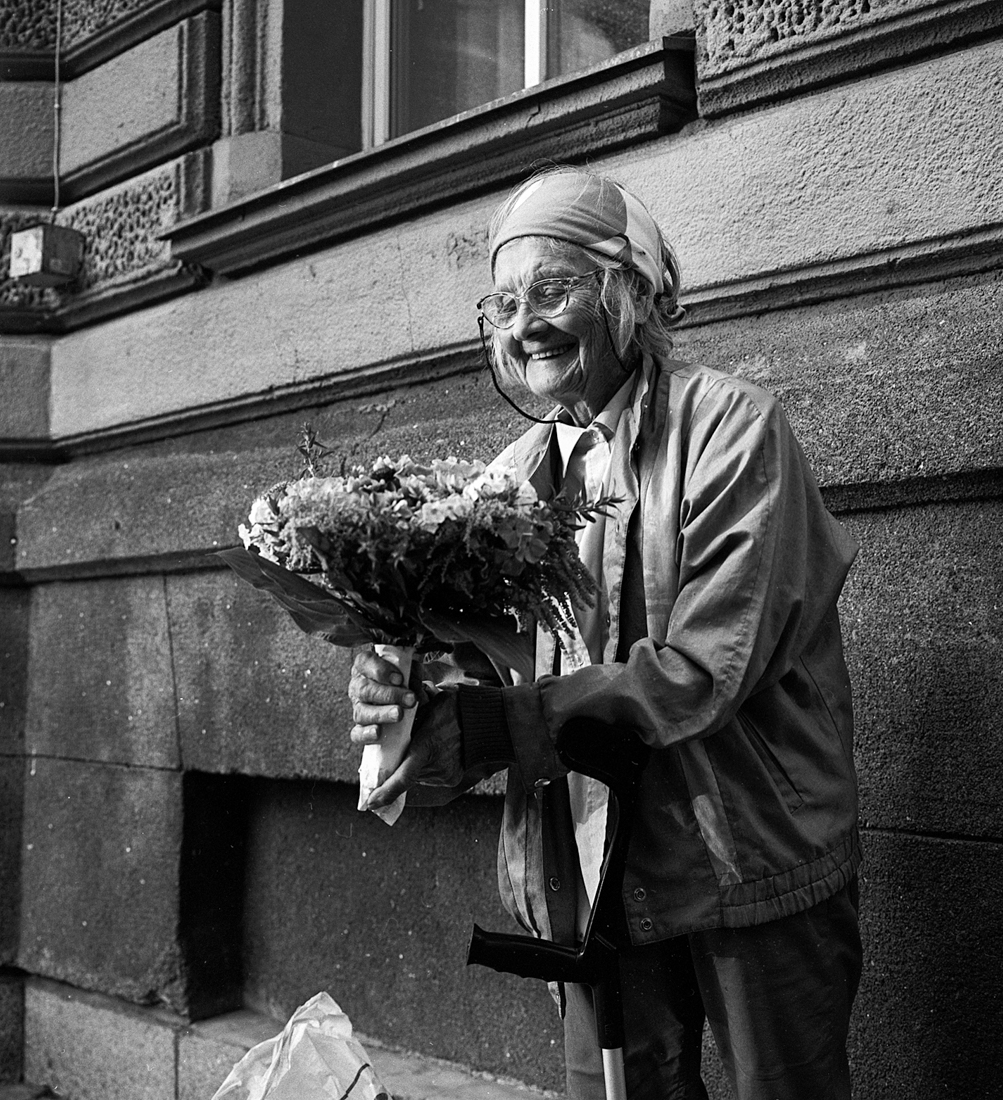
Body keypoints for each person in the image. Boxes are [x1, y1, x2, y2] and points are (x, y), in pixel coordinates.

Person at [348, 167, 863, 1100]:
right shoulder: (511, 481)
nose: (523, 325)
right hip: (588, 873)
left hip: (746, 851)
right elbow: (474, 663)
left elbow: (702, 670)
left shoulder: (734, 431)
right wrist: (396, 692)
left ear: (630, 294)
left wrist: (499, 726)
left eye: (553, 291)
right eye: (503, 301)